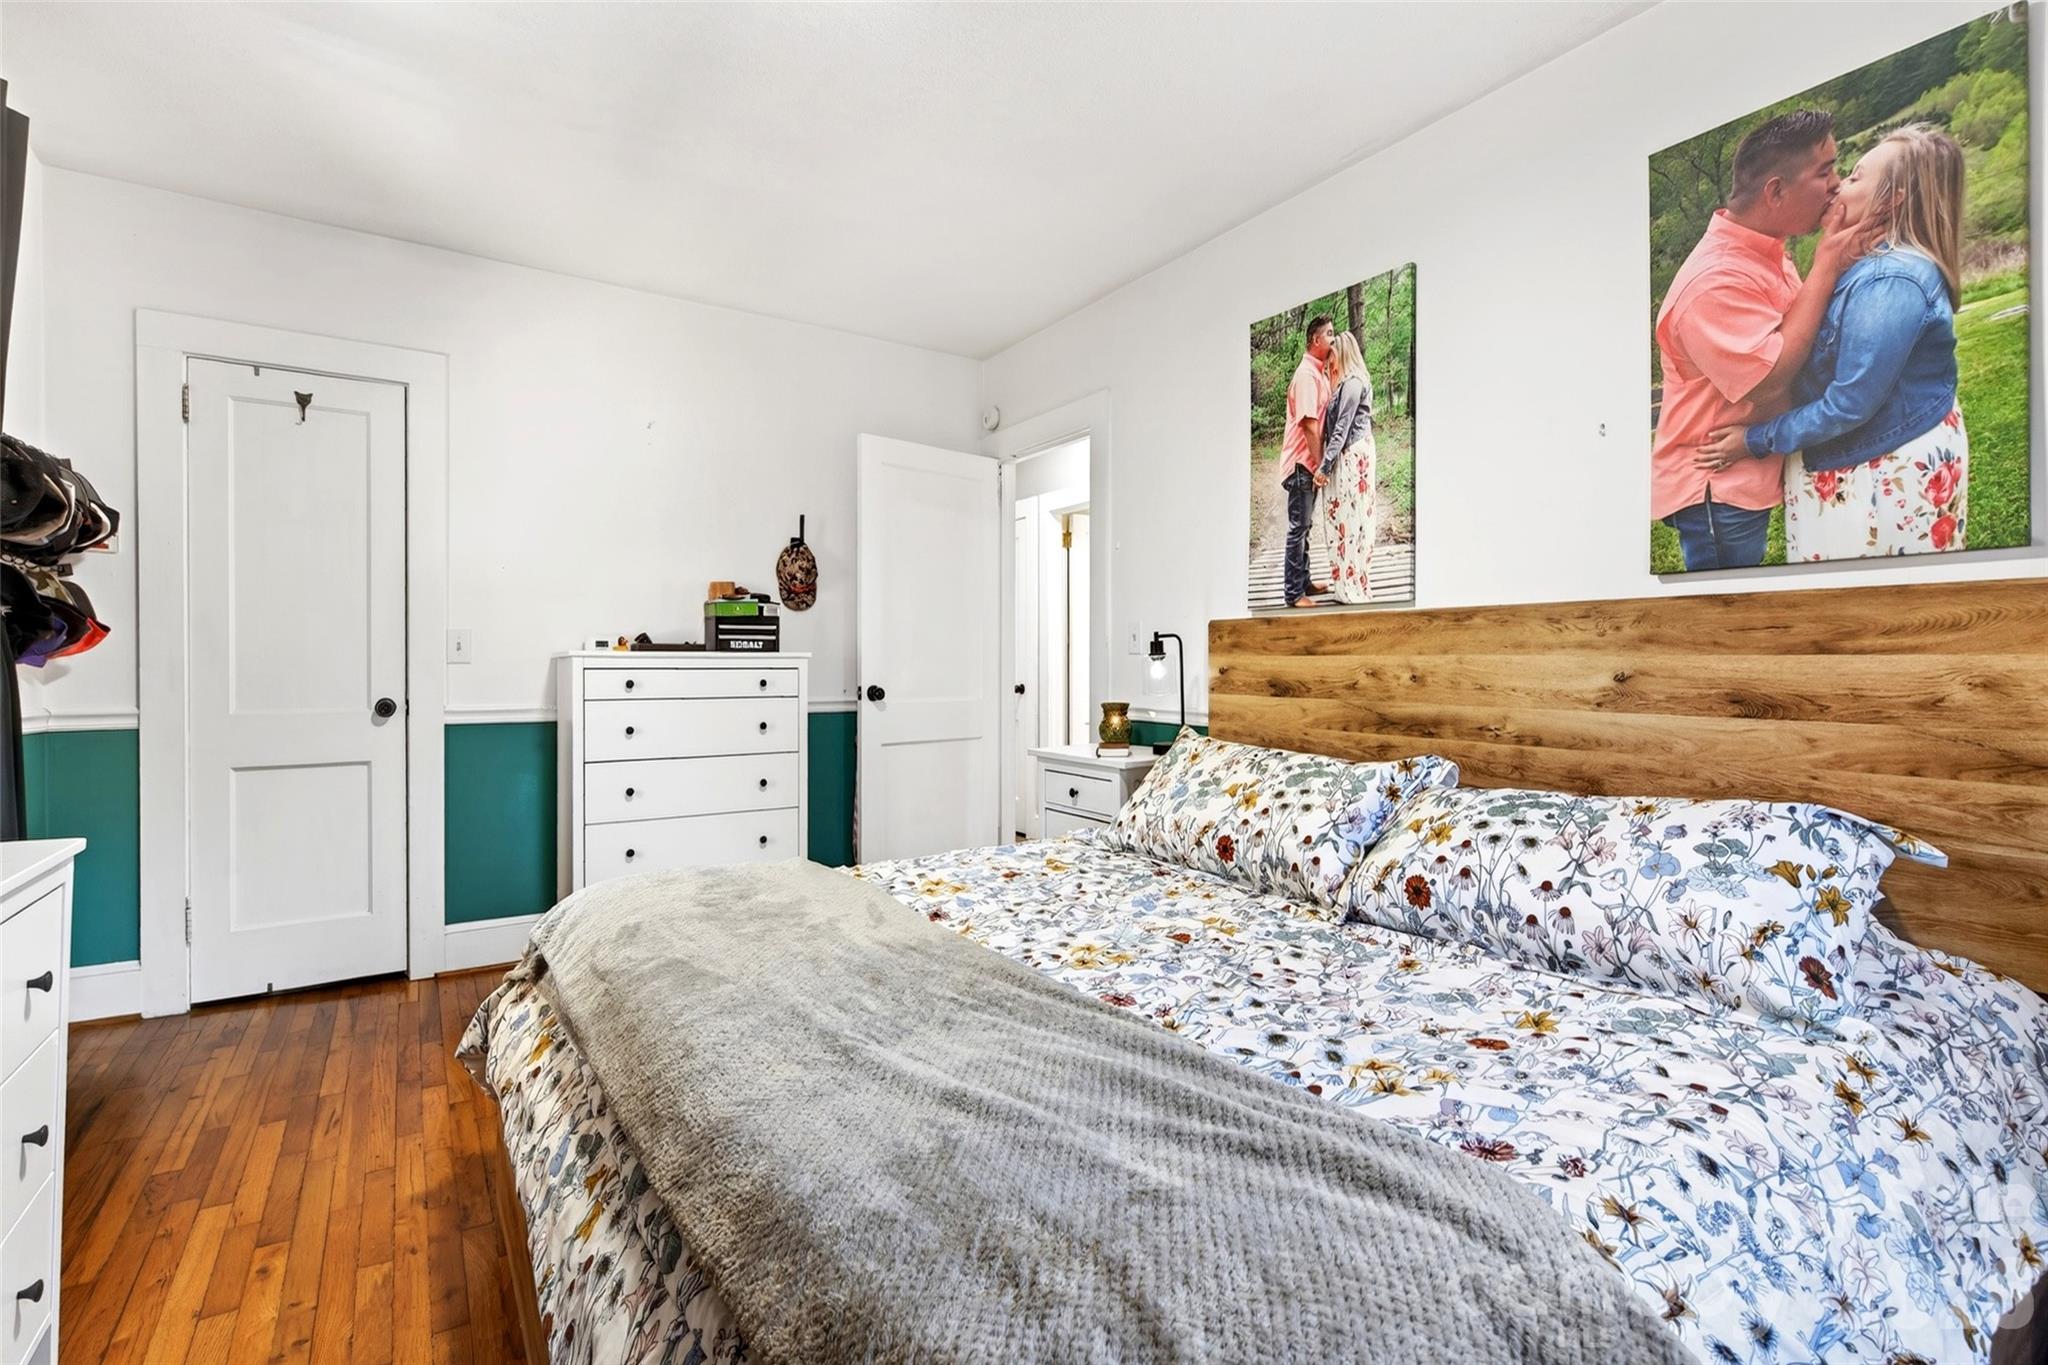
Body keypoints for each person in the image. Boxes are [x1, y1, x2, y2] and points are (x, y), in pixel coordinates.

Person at [1696, 125, 1968, 561]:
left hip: (1879, 472)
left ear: (1894, 198)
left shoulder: (1891, 279)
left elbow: (1848, 404)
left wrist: (1754, 439)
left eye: (1856, 177)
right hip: (1865, 460)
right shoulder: (1866, 265)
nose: (1840, 184)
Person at [1651, 109, 1882, 571]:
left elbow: (1805, 328)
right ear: (1776, 191)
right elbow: (1769, 382)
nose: (1836, 183)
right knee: (1727, 621)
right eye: (1825, 171)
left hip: (1744, 474)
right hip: (1717, 488)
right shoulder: (1715, 282)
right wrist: (1827, 262)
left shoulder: (1762, 251)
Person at [1318, 332, 1377, 604]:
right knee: (1349, 516)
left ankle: (1351, 583)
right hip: (1352, 452)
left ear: (1342, 352)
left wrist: (1325, 466)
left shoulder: (1353, 383)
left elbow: (1341, 429)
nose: (1330, 361)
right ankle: (1348, 579)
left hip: (1352, 455)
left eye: (1332, 354)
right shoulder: (1346, 383)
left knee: (1350, 517)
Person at [1280, 316, 1334, 606]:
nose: (1333, 339)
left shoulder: (1318, 373)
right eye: (1329, 334)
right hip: (1302, 464)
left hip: (1308, 463)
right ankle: (1293, 593)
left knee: (1305, 526)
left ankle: (1305, 582)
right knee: (1298, 527)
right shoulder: (1306, 375)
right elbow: (1309, 425)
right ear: (1316, 340)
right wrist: (1319, 465)